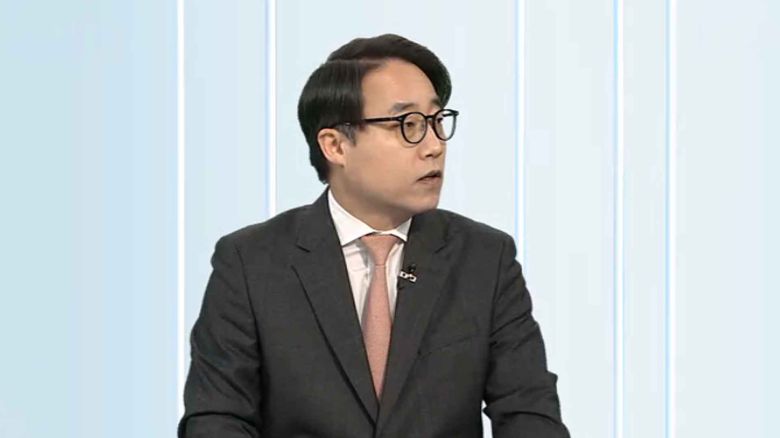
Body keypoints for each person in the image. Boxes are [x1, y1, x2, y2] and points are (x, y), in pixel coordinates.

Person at [178, 33, 569, 438]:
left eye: (437, 121)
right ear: (335, 146)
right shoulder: (250, 262)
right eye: (408, 125)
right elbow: (217, 419)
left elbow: (530, 414)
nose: (434, 146)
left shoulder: (485, 259)